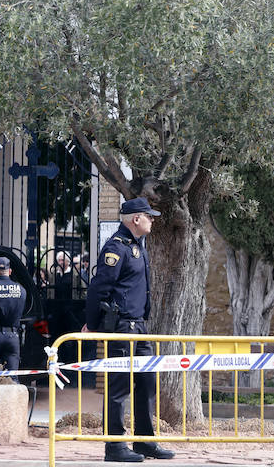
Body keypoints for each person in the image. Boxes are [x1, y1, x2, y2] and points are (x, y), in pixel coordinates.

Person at [82, 197, 175, 463]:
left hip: (139, 327)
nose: (153, 219)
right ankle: (115, 446)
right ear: (136, 219)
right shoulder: (117, 248)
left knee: (146, 383)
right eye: (149, 215)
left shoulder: (137, 246)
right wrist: (93, 323)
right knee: (119, 387)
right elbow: (99, 288)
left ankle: (144, 441)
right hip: (122, 326)